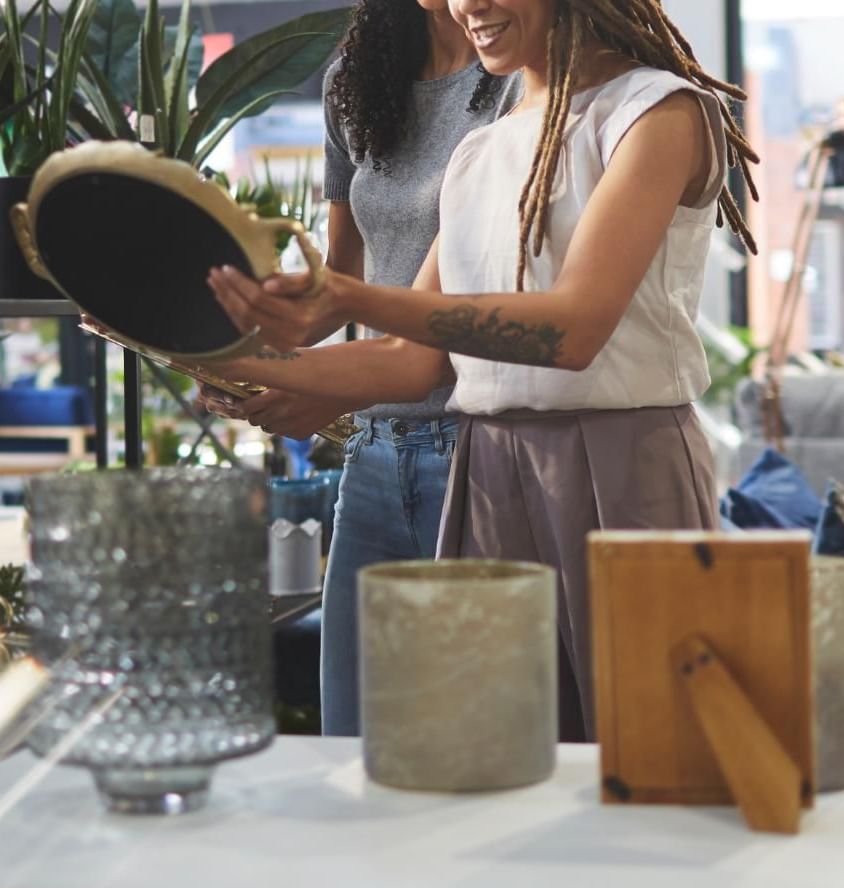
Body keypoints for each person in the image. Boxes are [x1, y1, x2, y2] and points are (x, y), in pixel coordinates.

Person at [207, 0, 759, 741]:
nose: (467, 4)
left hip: (623, 468)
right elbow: (409, 364)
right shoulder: (480, 153)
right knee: (489, 764)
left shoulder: (656, 112)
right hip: (489, 472)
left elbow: (573, 330)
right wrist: (231, 360)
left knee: (646, 756)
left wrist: (352, 295)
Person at [201, 0, 517, 737]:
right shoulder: (358, 76)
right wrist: (258, 359)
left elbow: (434, 343)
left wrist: (300, 380)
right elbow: (339, 285)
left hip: (475, 450)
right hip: (374, 459)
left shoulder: (513, 73)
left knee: (467, 742)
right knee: (351, 736)